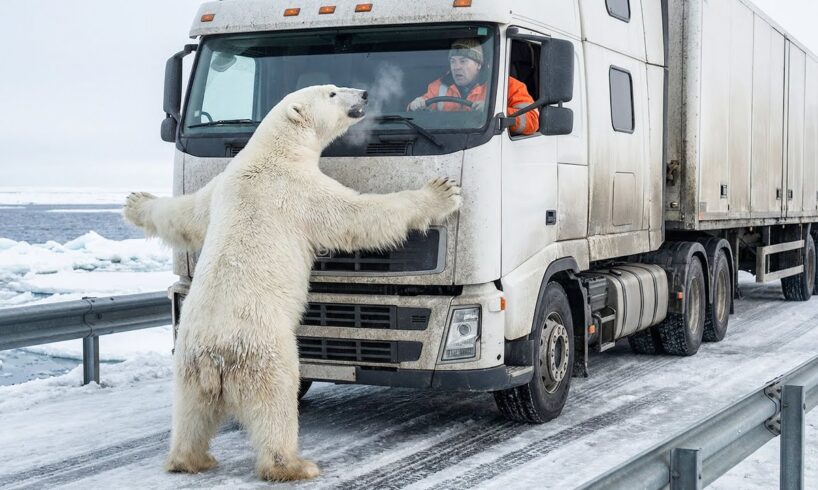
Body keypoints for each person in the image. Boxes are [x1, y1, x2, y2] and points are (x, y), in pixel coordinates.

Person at [407, 38, 539, 136]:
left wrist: (494, 111)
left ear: (478, 64)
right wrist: (413, 107)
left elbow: (532, 120)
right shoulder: (439, 86)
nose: (456, 67)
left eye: (463, 61)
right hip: (443, 146)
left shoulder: (506, 85)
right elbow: (415, 116)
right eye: (453, 61)